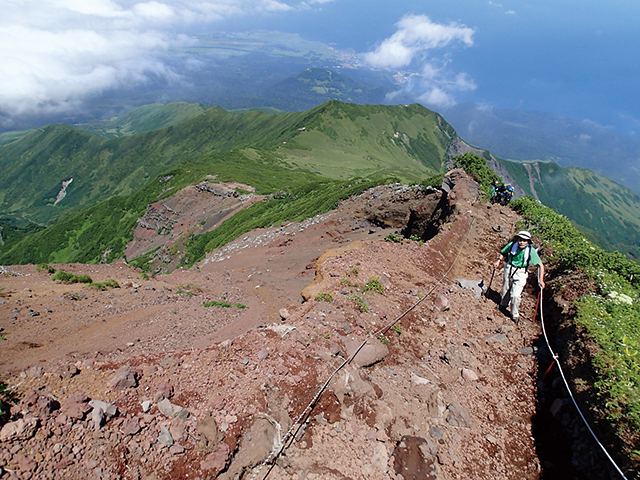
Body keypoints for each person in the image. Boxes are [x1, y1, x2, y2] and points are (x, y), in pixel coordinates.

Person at [493, 230, 545, 323]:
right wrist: (498, 261)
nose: (522, 242)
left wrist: (541, 280)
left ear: (528, 242)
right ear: (518, 239)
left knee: (515, 295)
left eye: (524, 240)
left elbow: (540, 265)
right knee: (506, 289)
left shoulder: (531, 251)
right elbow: (504, 253)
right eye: (520, 240)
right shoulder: (512, 245)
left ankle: (514, 314)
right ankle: (503, 304)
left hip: (521, 272)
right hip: (509, 268)